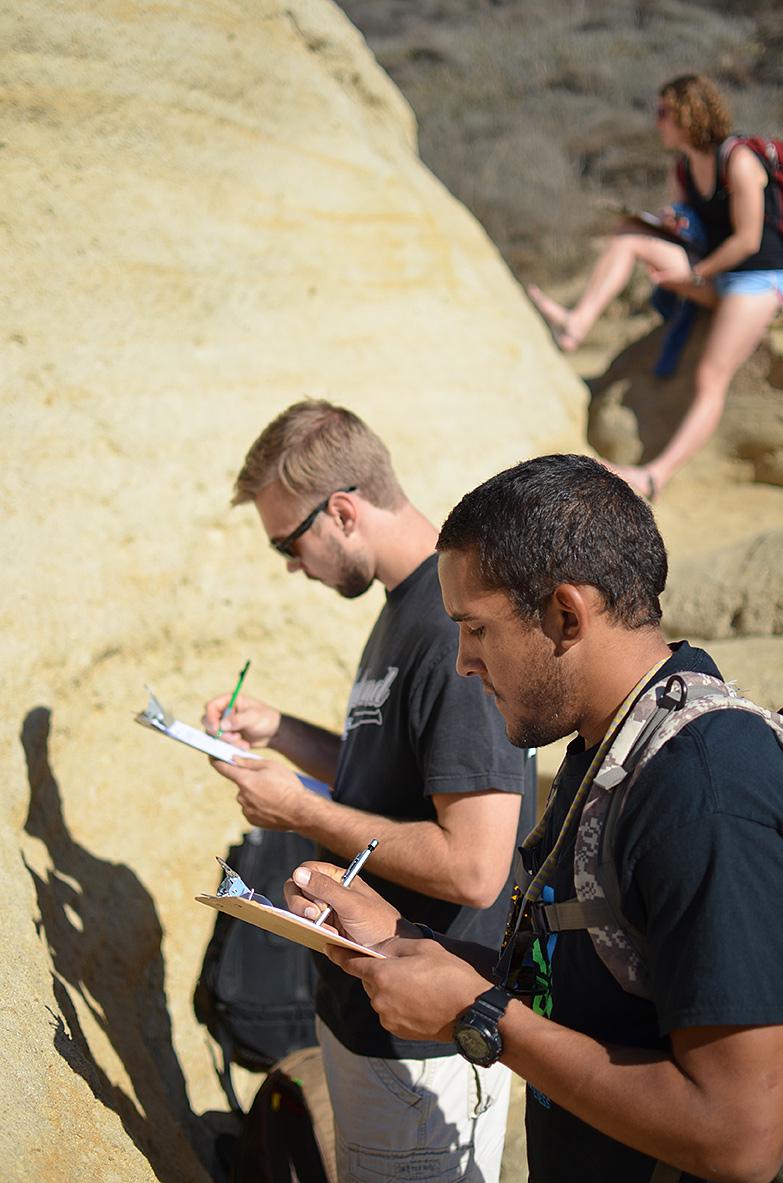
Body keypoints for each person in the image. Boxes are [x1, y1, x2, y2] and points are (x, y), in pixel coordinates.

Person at [285, 454, 783, 1183]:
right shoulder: (610, 745)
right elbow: (587, 988)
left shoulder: (701, 788)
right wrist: (404, 941)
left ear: (564, 613)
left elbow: (737, 1137)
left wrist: (480, 1017)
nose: (462, 662)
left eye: (476, 629)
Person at [203, 399, 535, 1183]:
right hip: (369, 1021)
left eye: (290, 541)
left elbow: (474, 867)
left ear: (343, 511)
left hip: (422, 1046)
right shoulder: (403, 609)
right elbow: (390, 769)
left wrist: (299, 809)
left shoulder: (451, 625)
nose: (290, 563)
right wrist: (279, 728)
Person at [528, 74, 783, 499]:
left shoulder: (738, 160)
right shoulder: (682, 167)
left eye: (664, 112)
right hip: (713, 273)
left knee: (709, 377)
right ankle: (578, 322)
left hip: (758, 277)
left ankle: (655, 475)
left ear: (688, 114)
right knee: (629, 232)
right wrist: (671, 222)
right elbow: (695, 223)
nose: (658, 121)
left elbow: (749, 239)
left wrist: (693, 277)